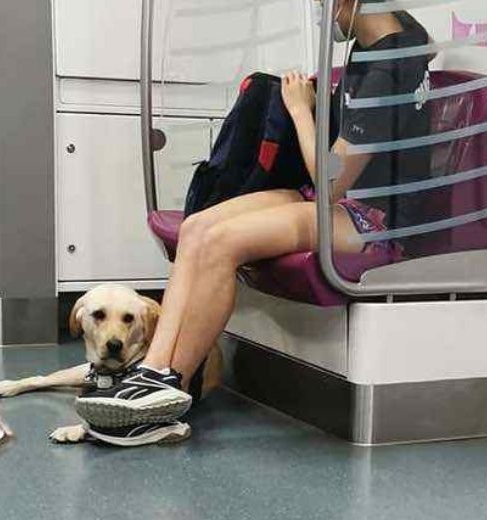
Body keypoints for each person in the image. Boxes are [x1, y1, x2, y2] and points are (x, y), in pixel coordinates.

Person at [75, 0, 432, 437]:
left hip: (372, 219)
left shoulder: (389, 69)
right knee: (197, 228)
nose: (325, 14)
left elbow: (331, 183)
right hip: (343, 201)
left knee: (224, 242)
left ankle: (171, 388)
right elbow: (423, 45)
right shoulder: (386, 40)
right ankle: (151, 370)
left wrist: (301, 110)